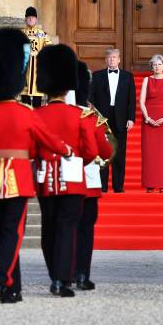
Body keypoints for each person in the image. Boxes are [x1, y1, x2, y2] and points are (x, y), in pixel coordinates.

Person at [0, 28, 71, 303]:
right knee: (14, 234)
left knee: (4, 235)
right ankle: (1, 278)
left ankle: (13, 288)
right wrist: (66, 150)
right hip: (19, 179)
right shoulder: (26, 113)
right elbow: (49, 140)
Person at [35, 44, 99, 297]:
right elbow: (92, 151)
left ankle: (55, 273)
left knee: (48, 227)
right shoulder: (80, 116)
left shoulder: (36, 115)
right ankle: (62, 279)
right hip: (72, 178)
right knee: (67, 228)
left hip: (45, 179)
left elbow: (31, 148)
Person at [74, 60, 115, 291]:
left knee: (64, 229)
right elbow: (105, 150)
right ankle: (82, 274)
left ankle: (64, 272)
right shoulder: (91, 118)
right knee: (85, 230)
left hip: (59, 180)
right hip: (87, 180)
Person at [89, 49, 136, 193]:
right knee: (103, 151)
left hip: (121, 118)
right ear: (106, 60)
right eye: (109, 58)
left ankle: (118, 186)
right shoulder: (97, 76)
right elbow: (92, 99)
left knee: (120, 153)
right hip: (102, 118)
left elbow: (131, 100)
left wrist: (131, 118)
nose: (112, 60)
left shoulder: (128, 77)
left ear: (119, 60)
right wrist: (94, 117)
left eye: (114, 58)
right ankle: (102, 186)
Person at [140, 54, 163, 193]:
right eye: (154, 64)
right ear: (151, 66)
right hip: (148, 119)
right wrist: (147, 117)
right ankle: (150, 183)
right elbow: (142, 101)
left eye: (159, 64)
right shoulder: (146, 80)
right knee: (149, 153)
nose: (157, 67)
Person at [21, 6, 52, 107]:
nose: (30, 19)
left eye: (33, 17)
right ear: (25, 19)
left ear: (36, 19)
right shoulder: (20, 34)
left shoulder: (42, 34)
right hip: (25, 71)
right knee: (24, 103)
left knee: (37, 102)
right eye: (28, 17)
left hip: (37, 71)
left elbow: (49, 49)